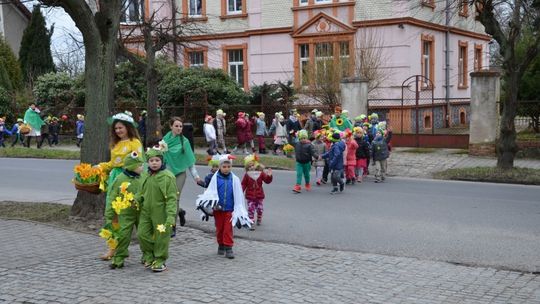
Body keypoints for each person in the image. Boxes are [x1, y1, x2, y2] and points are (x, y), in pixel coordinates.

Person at [97, 111, 143, 260]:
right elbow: (112, 164)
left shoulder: (134, 142)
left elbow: (138, 163)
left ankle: (142, 249)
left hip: (128, 180)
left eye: (121, 128)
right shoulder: (115, 144)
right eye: (116, 128)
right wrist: (99, 167)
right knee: (113, 214)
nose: (118, 131)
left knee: (129, 215)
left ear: (128, 127)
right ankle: (113, 248)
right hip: (114, 180)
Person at [195, 155, 252, 259]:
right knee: (220, 228)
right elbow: (210, 192)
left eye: (228, 166)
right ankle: (221, 244)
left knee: (228, 229)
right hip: (218, 209)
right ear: (220, 167)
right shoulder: (215, 179)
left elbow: (238, 194)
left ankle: (228, 247)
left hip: (230, 209)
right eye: (224, 167)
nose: (226, 169)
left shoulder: (234, 179)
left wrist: (238, 209)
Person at [137, 143, 178, 272]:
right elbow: (141, 192)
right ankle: (149, 255)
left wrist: (171, 216)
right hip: (145, 212)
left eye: (157, 160)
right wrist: (136, 199)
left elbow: (172, 198)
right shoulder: (145, 175)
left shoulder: (168, 177)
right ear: (147, 162)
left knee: (161, 236)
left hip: (161, 213)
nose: (154, 163)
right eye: (151, 161)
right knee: (142, 234)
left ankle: (160, 259)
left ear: (162, 161)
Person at [103, 151, 145, 269]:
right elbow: (112, 195)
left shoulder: (144, 177)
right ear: (132, 166)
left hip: (141, 211)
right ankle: (119, 257)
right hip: (125, 212)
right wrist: (110, 213)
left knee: (144, 234)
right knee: (123, 235)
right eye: (140, 165)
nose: (142, 167)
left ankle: (147, 255)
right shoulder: (120, 179)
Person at [162, 117, 202, 236]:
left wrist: (196, 177)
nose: (179, 128)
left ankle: (172, 227)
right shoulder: (165, 140)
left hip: (180, 174)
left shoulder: (184, 142)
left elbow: (190, 162)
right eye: (176, 126)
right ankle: (180, 211)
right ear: (171, 126)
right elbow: (161, 158)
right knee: (165, 199)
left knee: (174, 198)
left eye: (180, 126)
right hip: (167, 174)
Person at [241, 154, 273, 230]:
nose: (251, 167)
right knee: (250, 208)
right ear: (247, 168)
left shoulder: (260, 173)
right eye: (249, 166)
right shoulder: (247, 175)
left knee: (260, 208)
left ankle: (259, 218)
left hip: (259, 195)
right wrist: (240, 191)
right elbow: (243, 184)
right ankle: (251, 220)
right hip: (250, 195)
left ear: (255, 165)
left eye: (252, 165)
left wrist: (269, 176)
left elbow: (267, 181)